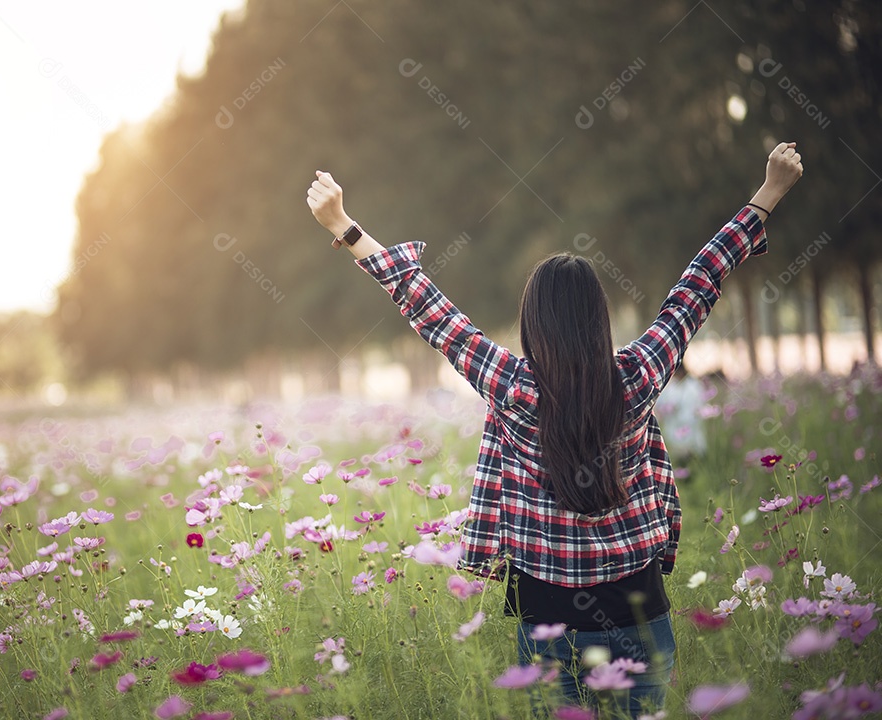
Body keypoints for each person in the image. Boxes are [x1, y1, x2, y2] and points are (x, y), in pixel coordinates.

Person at [306, 142, 803, 717]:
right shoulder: (639, 374)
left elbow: (429, 308)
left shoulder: (513, 387)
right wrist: (768, 193)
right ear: (599, 317)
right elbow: (697, 286)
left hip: (547, 628)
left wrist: (342, 224)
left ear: (530, 322)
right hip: (641, 616)